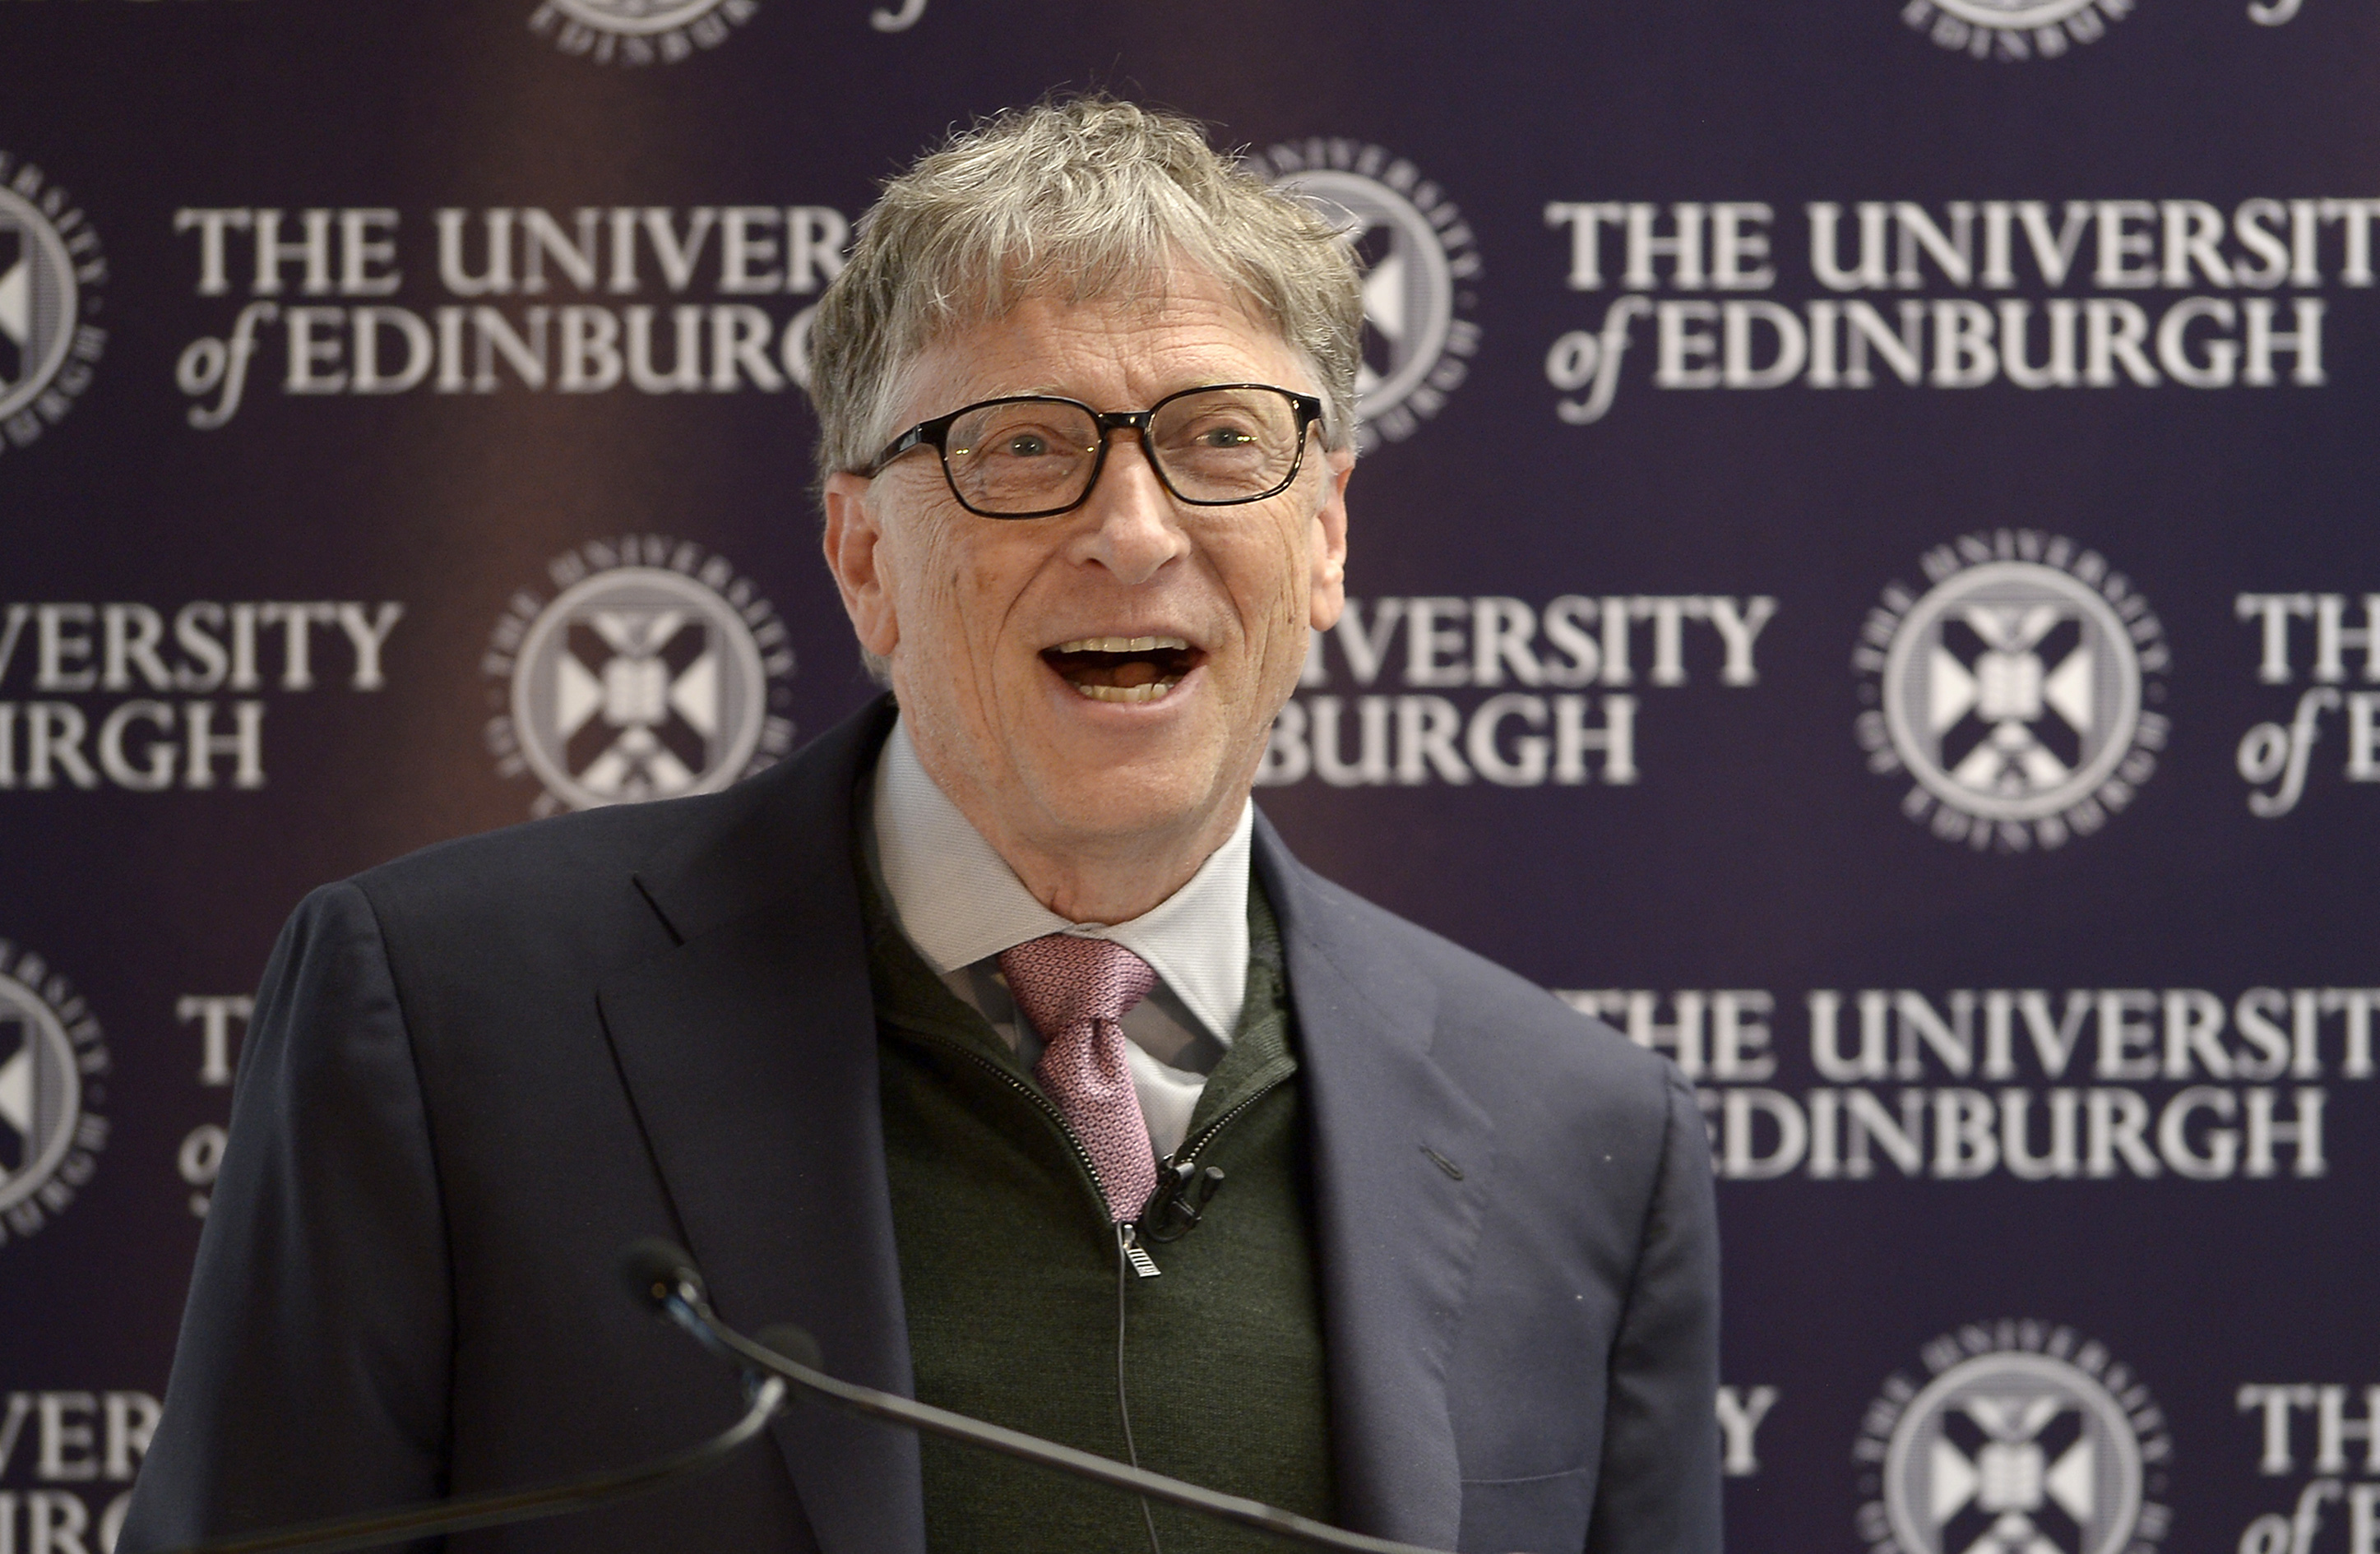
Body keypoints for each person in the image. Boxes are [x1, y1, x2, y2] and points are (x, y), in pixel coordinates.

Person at [122, 97, 1719, 1554]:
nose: (1132, 529)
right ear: (860, 552)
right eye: (1022, 445)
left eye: (1219, 440)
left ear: (1323, 542)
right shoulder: (441, 1014)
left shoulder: (1582, 1133)